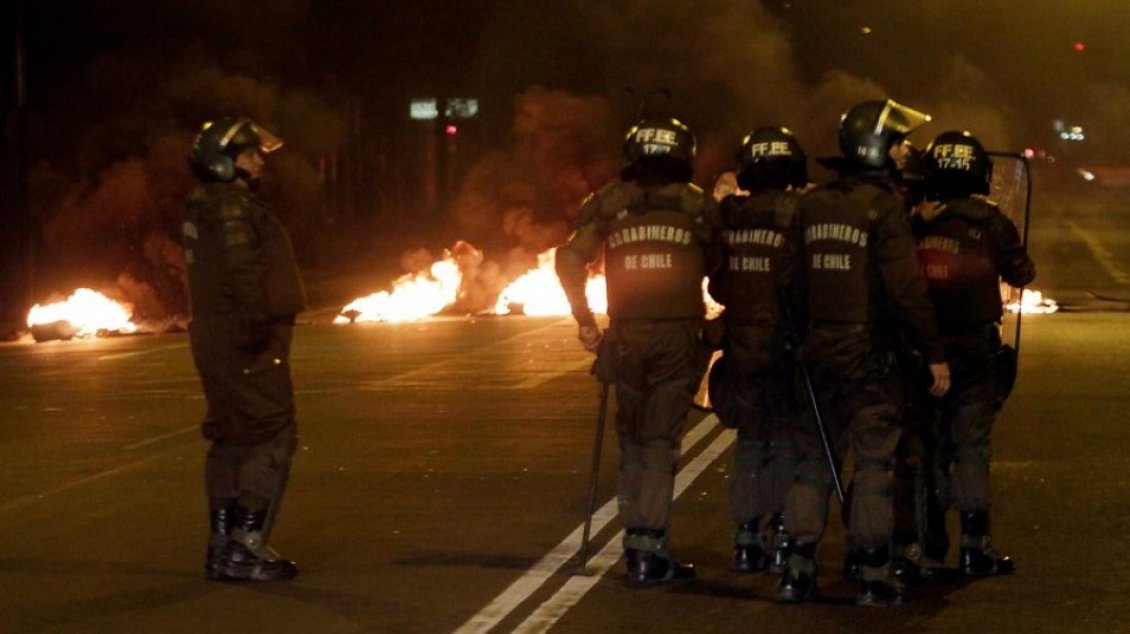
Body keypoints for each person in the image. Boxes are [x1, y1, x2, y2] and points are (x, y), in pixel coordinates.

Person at [776, 99, 951, 607]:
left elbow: (787, 281)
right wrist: (933, 351)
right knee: (875, 463)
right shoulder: (884, 208)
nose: (903, 151)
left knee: (812, 460)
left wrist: (803, 338)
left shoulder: (811, 205)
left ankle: (796, 569)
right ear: (877, 147)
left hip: (817, 353)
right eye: (897, 142)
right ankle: (874, 574)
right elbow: (905, 289)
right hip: (869, 357)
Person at [556, 117, 721, 584]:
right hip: (677, 337)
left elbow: (568, 257)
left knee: (631, 440)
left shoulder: (608, 202)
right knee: (659, 442)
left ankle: (635, 544)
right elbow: (724, 267)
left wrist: (586, 322)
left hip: (625, 336)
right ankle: (650, 549)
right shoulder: (697, 205)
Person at [184, 116, 307, 581]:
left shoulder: (203, 206)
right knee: (272, 434)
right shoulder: (233, 209)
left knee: (230, 438)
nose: (259, 162)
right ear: (223, 162)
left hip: (216, 339)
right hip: (245, 343)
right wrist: (259, 335)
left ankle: (222, 544)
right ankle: (246, 547)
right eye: (250, 154)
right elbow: (244, 277)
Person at [913, 130, 1036, 576]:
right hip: (974, 349)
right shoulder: (991, 222)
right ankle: (973, 546)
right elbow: (1022, 273)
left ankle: (927, 545)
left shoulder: (915, 220)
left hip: (922, 349)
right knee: (971, 444)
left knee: (928, 445)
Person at [706, 126, 806, 575]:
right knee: (785, 441)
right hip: (788, 345)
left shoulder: (730, 216)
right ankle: (782, 533)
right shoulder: (803, 214)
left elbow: (716, 281)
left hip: (741, 343)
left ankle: (745, 539)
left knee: (749, 441)